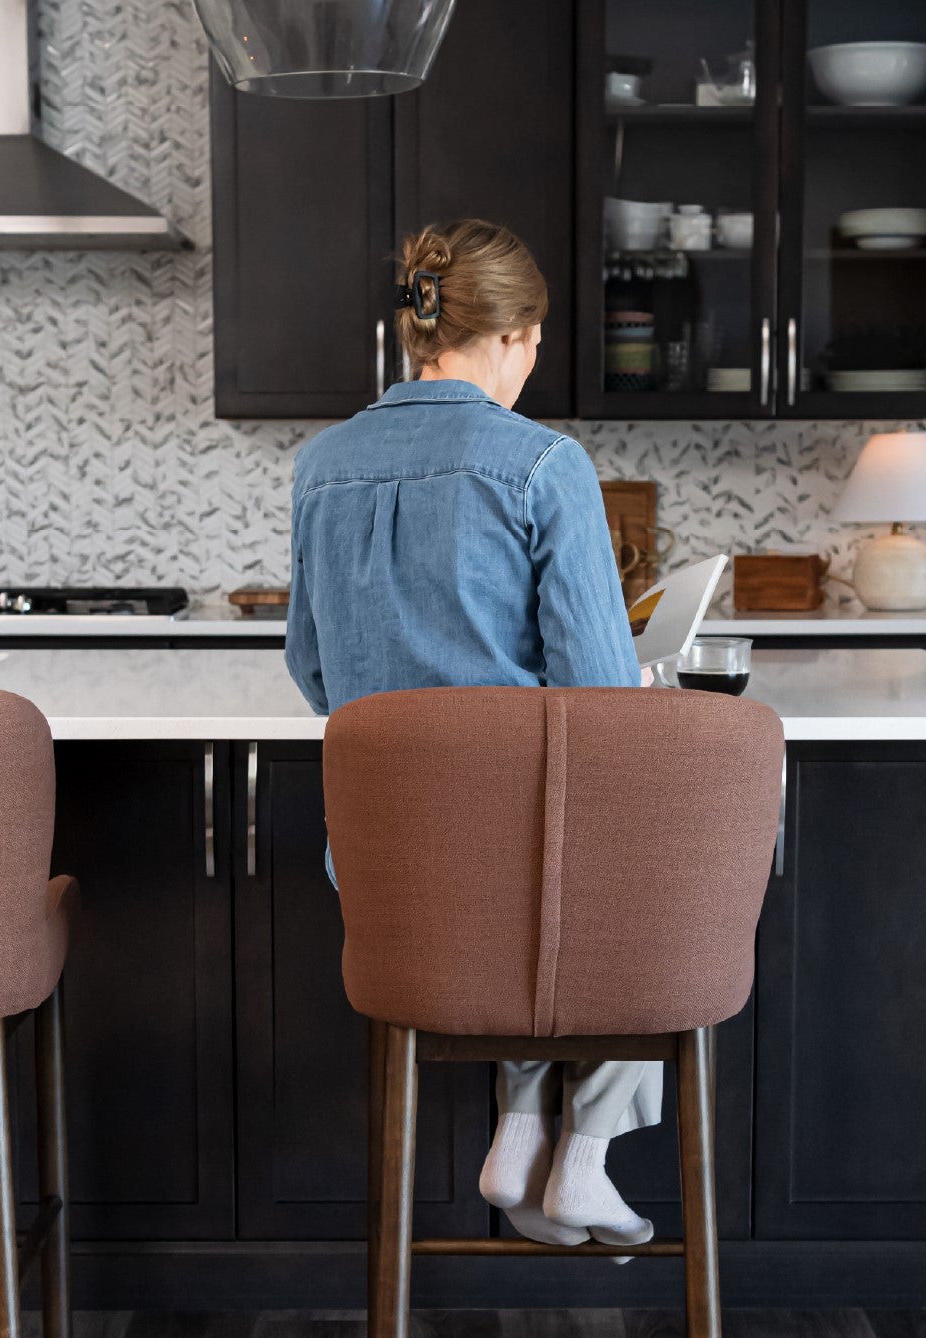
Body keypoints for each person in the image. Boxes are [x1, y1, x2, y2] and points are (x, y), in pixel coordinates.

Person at [286, 218, 659, 1251]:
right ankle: (582, 1156)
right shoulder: (543, 464)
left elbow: (313, 667)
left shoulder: (322, 467)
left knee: (543, 883)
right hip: (519, 866)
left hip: (384, 874)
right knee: (671, 877)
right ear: (517, 335)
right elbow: (598, 697)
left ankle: (519, 1127)